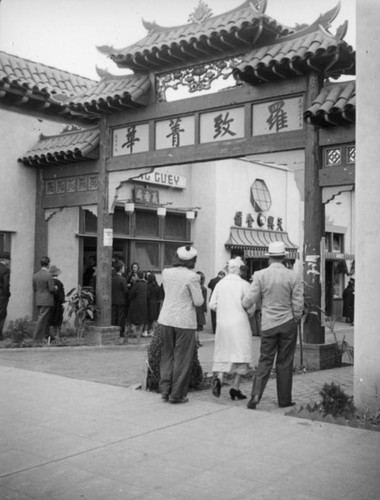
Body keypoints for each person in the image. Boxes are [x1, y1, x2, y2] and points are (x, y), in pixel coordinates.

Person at [242, 241, 303, 409]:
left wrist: (244, 305)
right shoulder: (293, 275)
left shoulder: (260, 275)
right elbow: (298, 303)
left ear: (269, 258)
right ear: (284, 257)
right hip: (287, 322)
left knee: (265, 360)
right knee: (285, 362)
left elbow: (249, 299)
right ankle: (284, 400)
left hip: (268, 323)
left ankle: (255, 396)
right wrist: (296, 318)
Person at [158, 245, 204, 404]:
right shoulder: (192, 277)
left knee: (167, 355)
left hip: (166, 319)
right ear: (193, 261)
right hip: (184, 321)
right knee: (182, 358)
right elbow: (198, 301)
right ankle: (177, 394)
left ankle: (165, 389)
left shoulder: (166, 272)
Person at [209, 257, 253, 400]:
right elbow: (250, 306)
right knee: (241, 354)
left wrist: (223, 309)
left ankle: (220, 378)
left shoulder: (220, 284)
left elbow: (212, 305)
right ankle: (235, 387)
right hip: (239, 323)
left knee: (224, 351)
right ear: (240, 269)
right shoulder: (244, 284)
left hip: (223, 323)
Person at [33, 256, 55, 343]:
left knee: (44, 319)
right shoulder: (49, 275)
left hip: (38, 299)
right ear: (48, 264)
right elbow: (51, 289)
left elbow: (34, 288)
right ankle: (36, 338)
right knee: (42, 319)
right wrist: (56, 288)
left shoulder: (35, 275)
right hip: (47, 299)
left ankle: (47, 336)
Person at [127, 270, 148, 342]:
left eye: (135, 275)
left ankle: (129, 337)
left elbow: (131, 295)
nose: (134, 277)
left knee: (131, 321)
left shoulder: (136, 284)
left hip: (135, 305)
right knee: (141, 322)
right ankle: (138, 339)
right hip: (144, 305)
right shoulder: (146, 284)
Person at [111, 261, 128, 338]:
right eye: (123, 268)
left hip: (113, 299)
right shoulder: (123, 279)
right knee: (121, 317)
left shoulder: (112, 278)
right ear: (121, 269)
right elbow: (126, 291)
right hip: (121, 300)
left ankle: (113, 330)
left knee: (114, 316)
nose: (124, 269)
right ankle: (120, 332)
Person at [49, 265, 65, 340]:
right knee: (58, 320)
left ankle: (51, 336)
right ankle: (57, 336)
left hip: (50, 303)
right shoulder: (59, 283)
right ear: (57, 274)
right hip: (58, 304)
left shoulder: (49, 282)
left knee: (51, 320)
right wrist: (62, 301)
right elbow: (62, 295)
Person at [146, 271, 162, 336]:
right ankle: (153, 330)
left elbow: (147, 295)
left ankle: (147, 330)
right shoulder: (157, 286)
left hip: (149, 302)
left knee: (148, 317)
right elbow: (160, 295)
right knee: (154, 318)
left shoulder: (148, 286)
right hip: (156, 303)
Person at [0, 254, 11, 340]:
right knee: (2, 314)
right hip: (2, 295)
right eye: (9, 260)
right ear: (5, 260)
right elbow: (6, 284)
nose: (9, 262)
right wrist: (7, 294)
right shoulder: (5, 270)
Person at [195, 271, 207, 347]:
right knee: (198, 327)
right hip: (199, 309)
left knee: (194, 326)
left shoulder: (193, 287)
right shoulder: (203, 288)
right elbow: (204, 300)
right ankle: (196, 341)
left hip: (193, 308)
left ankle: (196, 341)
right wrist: (205, 310)